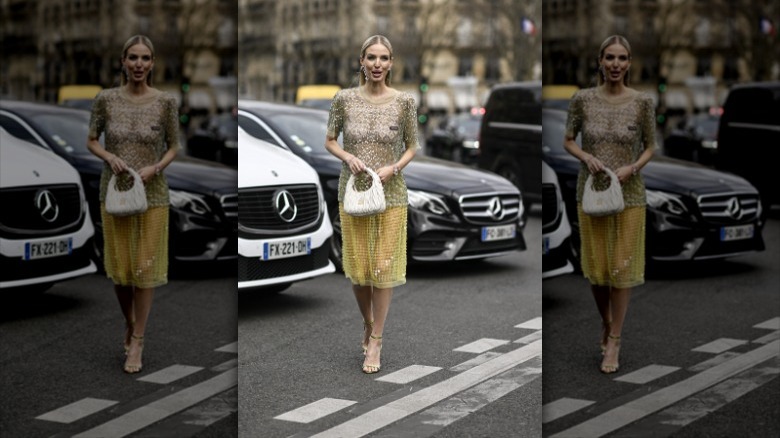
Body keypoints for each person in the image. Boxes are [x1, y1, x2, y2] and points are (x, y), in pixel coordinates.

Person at [324, 35, 418, 374]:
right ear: (361, 62)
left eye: (383, 58)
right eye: (371, 58)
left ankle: (376, 339)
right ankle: (368, 321)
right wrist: (348, 156)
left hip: (391, 193)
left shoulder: (404, 101)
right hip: (353, 192)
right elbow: (330, 140)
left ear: (391, 63)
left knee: (382, 266)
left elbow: (412, 146)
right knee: (360, 270)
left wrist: (395, 167)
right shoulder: (344, 100)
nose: (377, 64)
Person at [563, 35, 656, 374]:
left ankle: (615, 339)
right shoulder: (582, 100)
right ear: (600, 62)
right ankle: (606, 320)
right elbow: (568, 140)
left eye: (622, 58)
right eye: (610, 58)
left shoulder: (643, 101)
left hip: (629, 194)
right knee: (598, 270)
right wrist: (586, 156)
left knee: (621, 268)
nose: (616, 64)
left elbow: (650, 146)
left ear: (629, 63)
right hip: (591, 191)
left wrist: (634, 166)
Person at [87, 35, 180, 374]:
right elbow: (91, 139)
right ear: (123, 62)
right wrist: (110, 156)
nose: (139, 64)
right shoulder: (106, 100)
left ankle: (138, 339)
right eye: (133, 58)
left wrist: (156, 166)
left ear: (152, 64)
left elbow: (173, 146)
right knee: (120, 270)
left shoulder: (166, 101)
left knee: (144, 269)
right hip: (114, 192)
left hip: (153, 194)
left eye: (145, 58)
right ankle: (129, 320)